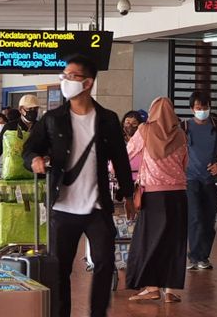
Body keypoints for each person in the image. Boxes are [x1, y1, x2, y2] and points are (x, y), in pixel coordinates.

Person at [24, 55, 134, 317]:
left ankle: (98, 313)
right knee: (60, 269)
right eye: (64, 75)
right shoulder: (53, 119)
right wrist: (35, 160)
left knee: (105, 263)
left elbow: (120, 159)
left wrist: (128, 194)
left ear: (87, 83)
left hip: (97, 206)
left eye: (71, 76)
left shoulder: (108, 119)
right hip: (63, 207)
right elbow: (29, 149)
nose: (65, 80)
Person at [125, 97, 188, 303]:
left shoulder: (145, 130)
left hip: (153, 195)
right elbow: (185, 162)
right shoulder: (180, 133)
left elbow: (128, 153)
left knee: (149, 241)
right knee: (174, 241)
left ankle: (152, 287)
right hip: (178, 195)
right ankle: (169, 291)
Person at [183, 91, 217, 270]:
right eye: (198, 108)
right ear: (192, 109)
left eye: (205, 107)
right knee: (195, 217)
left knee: (208, 219)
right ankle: (194, 256)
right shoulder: (184, 127)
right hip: (190, 180)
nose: (202, 111)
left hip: (211, 179)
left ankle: (203, 257)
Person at [0, 95, 40, 170]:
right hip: (14, 171)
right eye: (30, 109)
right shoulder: (10, 127)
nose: (33, 111)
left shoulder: (40, 127)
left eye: (36, 109)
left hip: (36, 171)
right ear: (21, 109)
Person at [120, 111, 144, 181]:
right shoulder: (118, 140)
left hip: (139, 179)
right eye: (127, 122)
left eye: (134, 123)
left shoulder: (143, 141)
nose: (130, 125)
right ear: (123, 124)